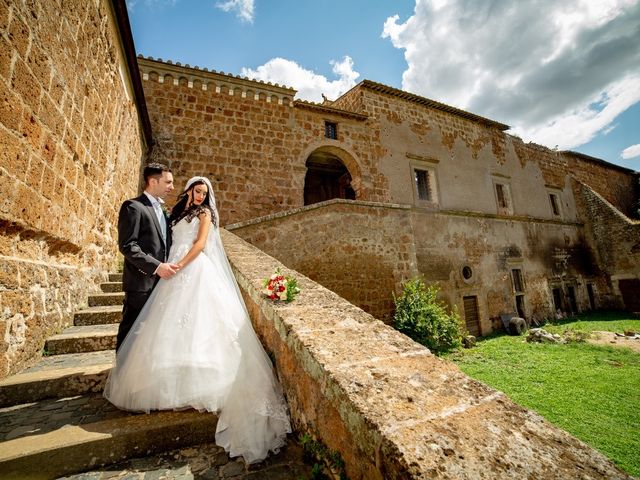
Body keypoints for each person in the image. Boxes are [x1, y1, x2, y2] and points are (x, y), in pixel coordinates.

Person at [104, 176, 291, 464]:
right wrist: (168, 266)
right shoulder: (178, 212)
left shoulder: (204, 214)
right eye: (198, 191)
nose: (201, 196)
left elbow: (202, 243)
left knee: (198, 325)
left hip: (190, 268)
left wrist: (180, 265)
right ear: (190, 191)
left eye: (205, 193)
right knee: (166, 327)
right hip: (169, 271)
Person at [117, 163, 178, 351]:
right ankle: (122, 374)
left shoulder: (163, 210)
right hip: (140, 282)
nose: (172, 187)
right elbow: (128, 246)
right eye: (168, 182)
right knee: (132, 331)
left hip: (161, 283)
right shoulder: (133, 207)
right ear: (153, 181)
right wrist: (157, 267)